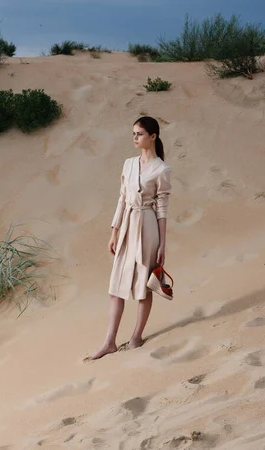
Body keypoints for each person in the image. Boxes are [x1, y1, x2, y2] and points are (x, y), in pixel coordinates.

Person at [90, 116, 172, 360]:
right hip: (127, 225)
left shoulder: (162, 169)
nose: (135, 138)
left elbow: (163, 209)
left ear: (153, 136)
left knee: (143, 287)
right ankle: (109, 342)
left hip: (148, 227)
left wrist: (163, 244)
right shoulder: (128, 164)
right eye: (133, 133)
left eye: (139, 134)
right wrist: (114, 231)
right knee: (116, 287)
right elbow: (122, 199)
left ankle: (136, 337)